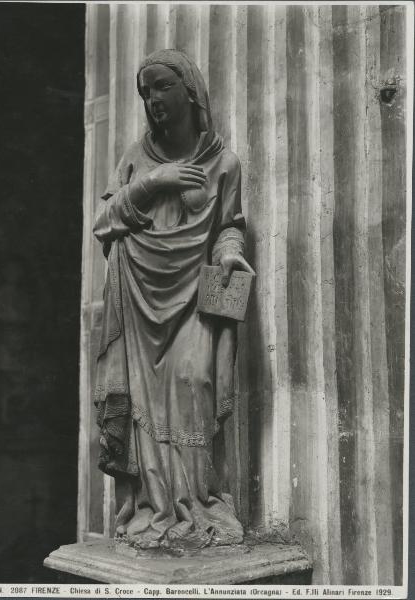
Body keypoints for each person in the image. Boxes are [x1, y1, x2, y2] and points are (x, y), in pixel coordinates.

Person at [93, 49, 254, 550]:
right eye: (145, 91)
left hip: (191, 295)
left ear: (190, 90)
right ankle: (152, 508)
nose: (152, 99)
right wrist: (153, 183)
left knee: (194, 380)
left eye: (162, 86)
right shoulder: (134, 159)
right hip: (140, 297)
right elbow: (105, 224)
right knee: (142, 400)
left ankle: (199, 503)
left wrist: (230, 253)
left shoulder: (224, 163)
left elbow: (229, 225)